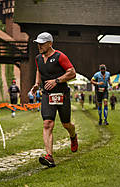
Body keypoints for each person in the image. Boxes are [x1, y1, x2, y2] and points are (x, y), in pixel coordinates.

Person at [30, 32, 78, 167]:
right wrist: (36, 84)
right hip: (46, 94)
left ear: (50, 44)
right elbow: (39, 70)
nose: (39, 46)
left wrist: (57, 80)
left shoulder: (60, 56)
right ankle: (49, 156)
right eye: (38, 43)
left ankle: (73, 136)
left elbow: (72, 72)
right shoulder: (38, 58)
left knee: (66, 124)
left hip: (62, 94)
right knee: (47, 123)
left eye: (42, 43)